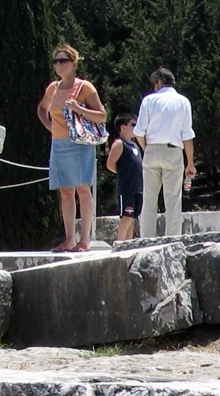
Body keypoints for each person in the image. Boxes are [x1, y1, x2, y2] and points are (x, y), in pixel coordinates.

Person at [37, 43, 107, 251]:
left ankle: (84, 240)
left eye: (63, 61)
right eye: (56, 61)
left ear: (74, 63)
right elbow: (42, 109)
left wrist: (79, 109)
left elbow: (102, 116)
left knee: (83, 189)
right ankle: (69, 239)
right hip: (58, 143)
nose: (59, 65)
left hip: (80, 143)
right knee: (65, 191)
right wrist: (51, 127)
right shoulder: (53, 88)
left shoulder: (85, 87)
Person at [134, 67, 195, 238]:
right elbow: (187, 136)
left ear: (159, 82)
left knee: (149, 200)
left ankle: (146, 239)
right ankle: (172, 240)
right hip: (173, 151)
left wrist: (148, 149)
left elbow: (139, 132)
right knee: (173, 202)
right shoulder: (183, 102)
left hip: (152, 149)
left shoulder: (148, 100)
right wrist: (190, 162)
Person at [107, 114, 143, 242]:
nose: (136, 127)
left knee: (133, 217)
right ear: (122, 127)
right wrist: (123, 173)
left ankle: (128, 243)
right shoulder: (119, 144)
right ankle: (120, 242)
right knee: (126, 215)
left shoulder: (134, 145)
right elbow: (110, 164)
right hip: (126, 187)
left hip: (137, 187)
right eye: (133, 124)